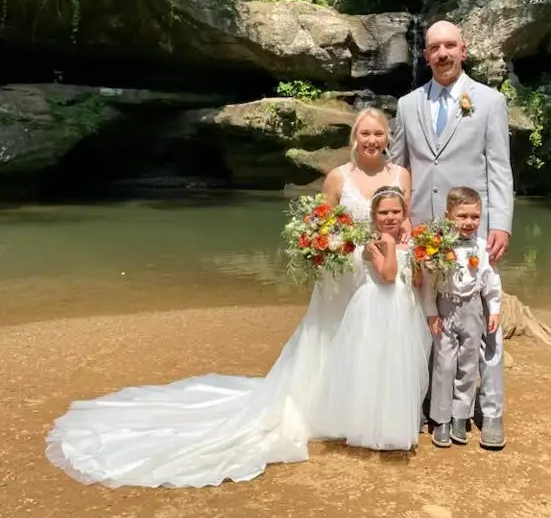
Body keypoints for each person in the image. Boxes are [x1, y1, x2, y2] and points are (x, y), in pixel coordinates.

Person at [45, 107, 411, 488]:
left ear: (388, 137)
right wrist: (334, 247)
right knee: (332, 337)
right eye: (364, 134)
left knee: (372, 341)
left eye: (378, 134)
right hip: (343, 275)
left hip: (380, 272)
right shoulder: (338, 177)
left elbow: (406, 223)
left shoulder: (401, 175)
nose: (371, 141)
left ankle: (367, 409)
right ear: (354, 138)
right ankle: (328, 410)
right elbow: (318, 225)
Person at [389, 20, 514, 450]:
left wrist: (500, 223)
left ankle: (491, 413)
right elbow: (398, 167)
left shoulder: (489, 101)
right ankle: (432, 406)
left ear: (463, 50)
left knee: (484, 323)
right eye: (434, 48)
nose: (442, 54)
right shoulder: (407, 105)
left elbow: (499, 168)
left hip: (472, 230)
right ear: (425, 56)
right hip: (423, 233)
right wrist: (399, 219)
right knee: (431, 320)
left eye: (449, 46)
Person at [313, 187, 431, 450]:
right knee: (372, 363)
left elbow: (415, 278)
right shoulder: (371, 243)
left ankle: (394, 421)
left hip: (404, 308)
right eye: (384, 212)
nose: (390, 217)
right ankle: (366, 423)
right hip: (376, 306)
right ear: (374, 215)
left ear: (405, 213)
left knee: (398, 364)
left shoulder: (411, 243)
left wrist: (423, 266)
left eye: (395, 211)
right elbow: (388, 276)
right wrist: (389, 245)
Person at [423, 187, 502, 448]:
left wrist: (495, 308)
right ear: (449, 216)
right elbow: (429, 284)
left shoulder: (482, 247)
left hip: (473, 310)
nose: (469, 223)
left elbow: (491, 281)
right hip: (445, 308)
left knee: (468, 365)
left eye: (475, 217)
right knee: (444, 365)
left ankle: (461, 416)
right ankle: (441, 418)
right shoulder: (438, 247)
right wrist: (432, 312)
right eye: (462, 216)